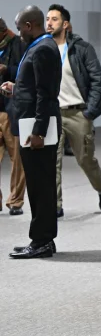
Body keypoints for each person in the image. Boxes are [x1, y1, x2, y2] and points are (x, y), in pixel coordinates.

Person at [45, 4, 101, 218]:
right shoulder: (42, 49)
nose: (49, 23)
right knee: (52, 162)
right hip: (52, 114)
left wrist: (89, 112)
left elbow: (97, 81)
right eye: (47, 19)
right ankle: (55, 206)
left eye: (54, 19)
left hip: (78, 113)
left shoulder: (81, 48)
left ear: (65, 24)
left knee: (85, 159)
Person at [3, 6, 60, 259]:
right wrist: (16, 89)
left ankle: (42, 242)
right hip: (30, 125)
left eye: (19, 27)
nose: (17, 32)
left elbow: (45, 95)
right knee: (38, 185)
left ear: (29, 25)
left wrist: (38, 131)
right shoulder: (40, 46)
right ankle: (41, 239)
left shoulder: (43, 49)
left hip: (35, 130)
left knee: (40, 186)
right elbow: (35, 88)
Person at [0, 17, 27, 216]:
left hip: (11, 110)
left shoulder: (18, 44)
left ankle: (16, 201)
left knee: (16, 158)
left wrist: (6, 70)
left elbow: (26, 71)